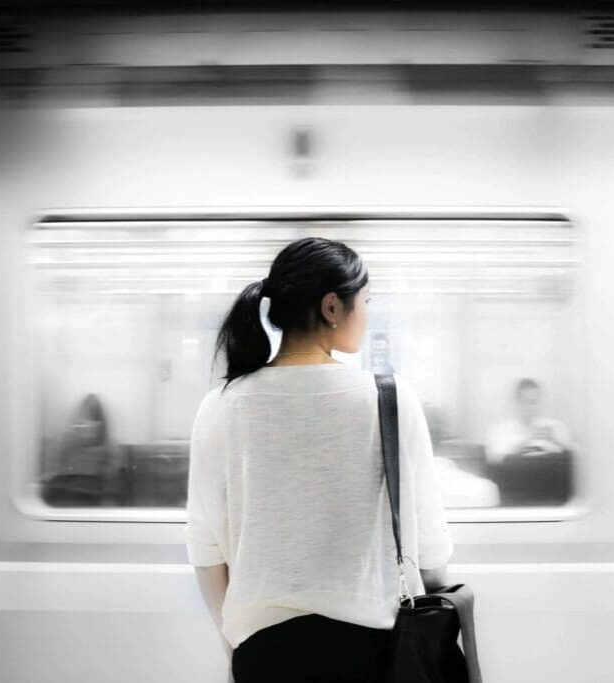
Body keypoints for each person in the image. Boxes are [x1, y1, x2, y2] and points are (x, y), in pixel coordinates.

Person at [184, 237, 454, 683]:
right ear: (332, 307)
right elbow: (429, 544)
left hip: (264, 655)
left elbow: (206, 548)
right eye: (365, 301)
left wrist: (235, 646)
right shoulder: (391, 398)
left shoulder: (220, 405)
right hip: (375, 653)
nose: (367, 314)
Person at [485, 378, 574, 464]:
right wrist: (527, 439)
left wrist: (554, 439)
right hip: (513, 477)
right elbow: (494, 460)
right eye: (524, 402)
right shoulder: (501, 431)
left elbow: (573, 455)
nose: (529, 407)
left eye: (533, 402)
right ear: (516, 402)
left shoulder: (552, 427)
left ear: (539, 402)